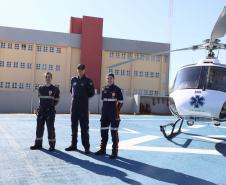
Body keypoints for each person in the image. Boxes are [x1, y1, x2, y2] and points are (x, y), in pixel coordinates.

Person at [65, 64, 95, 154]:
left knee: (84, 128)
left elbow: (91, 93)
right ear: (77, 70)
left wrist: (83, 97)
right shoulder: (73, 80)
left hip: (83, 107)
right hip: (74, 107)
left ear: (84, 70)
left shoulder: (88, 80)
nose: (80, 71)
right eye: (79, 69)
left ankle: (86, 147)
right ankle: (73, 145)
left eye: (82, 69)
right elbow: (71, 91)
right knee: (73, 127)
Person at [95, 73, 123, 159]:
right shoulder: (104, 88)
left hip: (113, 114)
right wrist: (103, 113)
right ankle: (102, 149)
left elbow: (121, 102)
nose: (109, 80)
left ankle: (114, 152)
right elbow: (104, 101)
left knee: (114, 133)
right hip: (105, 114)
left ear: (113, 79)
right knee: (103, 132)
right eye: (107, 78)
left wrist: (116, 113)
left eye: (110, 78)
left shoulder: (117, 89)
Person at [30, 72, 60, 151]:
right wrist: (39, 109)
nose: (48, 78)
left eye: (49, 77)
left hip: (50, 112)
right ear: (45, 78)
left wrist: (50, 107)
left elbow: (56, 100)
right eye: (46, 77)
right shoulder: (40, 88)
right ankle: (38, 144)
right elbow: (40, 100)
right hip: (41, 111)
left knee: (50, 129)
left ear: (51, 78)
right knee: (39, 128)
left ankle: (52, 145)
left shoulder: (55, 89)